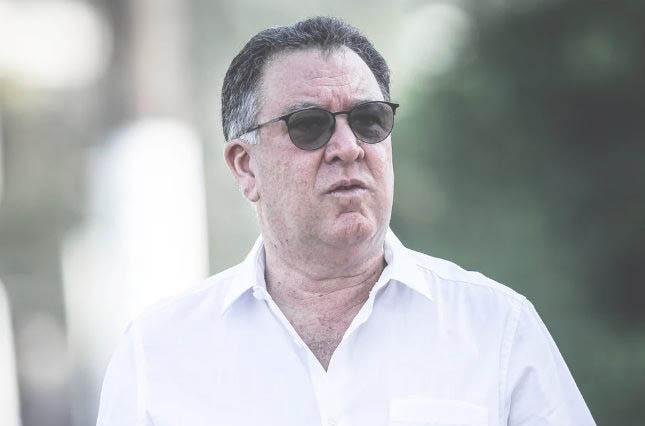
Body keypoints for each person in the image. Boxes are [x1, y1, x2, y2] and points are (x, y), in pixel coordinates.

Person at [96, 16, 596, 426]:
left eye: (368, 120)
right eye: (309, 126)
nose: (348, 148)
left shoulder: (496, 329)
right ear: (245, 166)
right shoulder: (158, 353)